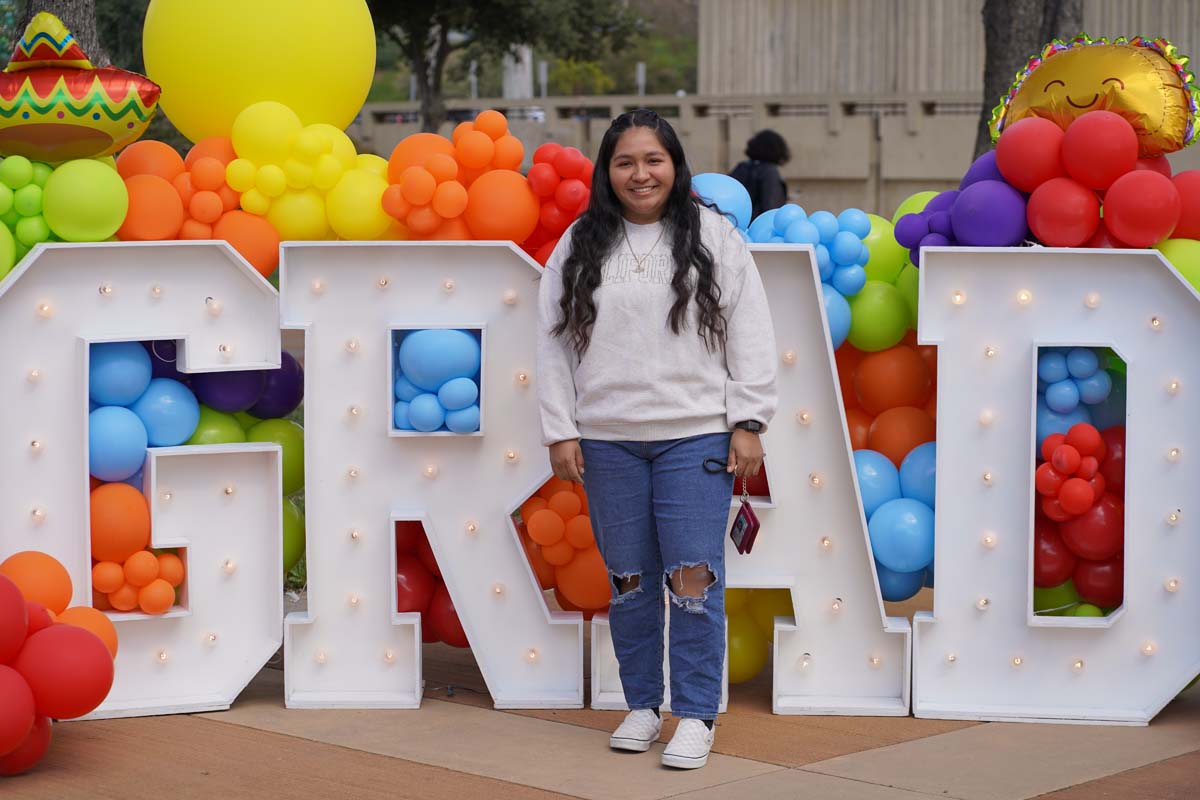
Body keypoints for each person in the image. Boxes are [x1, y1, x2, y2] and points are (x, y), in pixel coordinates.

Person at [536, 109, 777, 769]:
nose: (640, 174)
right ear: (607, 172)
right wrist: (561, 429)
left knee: (693, 579)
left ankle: (695, 714)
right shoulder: (580, 242)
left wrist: (749, 420)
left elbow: (750, 331)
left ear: (674, 166)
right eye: (625, 162)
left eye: (653, 160)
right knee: (629, 582)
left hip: (693, 437)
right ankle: (642, 704)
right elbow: (553, 343)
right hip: (607, 441)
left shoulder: (712, 237)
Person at [729, 129, 790, 221]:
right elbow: (771, 208)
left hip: (734, 224)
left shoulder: (741, 167)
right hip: (756, 227)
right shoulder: (769, 171)